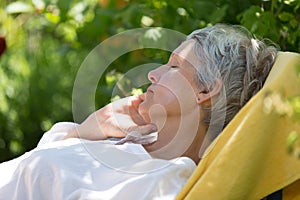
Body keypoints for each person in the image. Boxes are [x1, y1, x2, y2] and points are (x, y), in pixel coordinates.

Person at [0, 24, 278, 199]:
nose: (154, 75)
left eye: (173, 66)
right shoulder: (129, 144)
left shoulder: (165, 181)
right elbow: (32, 169)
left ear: (205, 91)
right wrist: (85, 129)